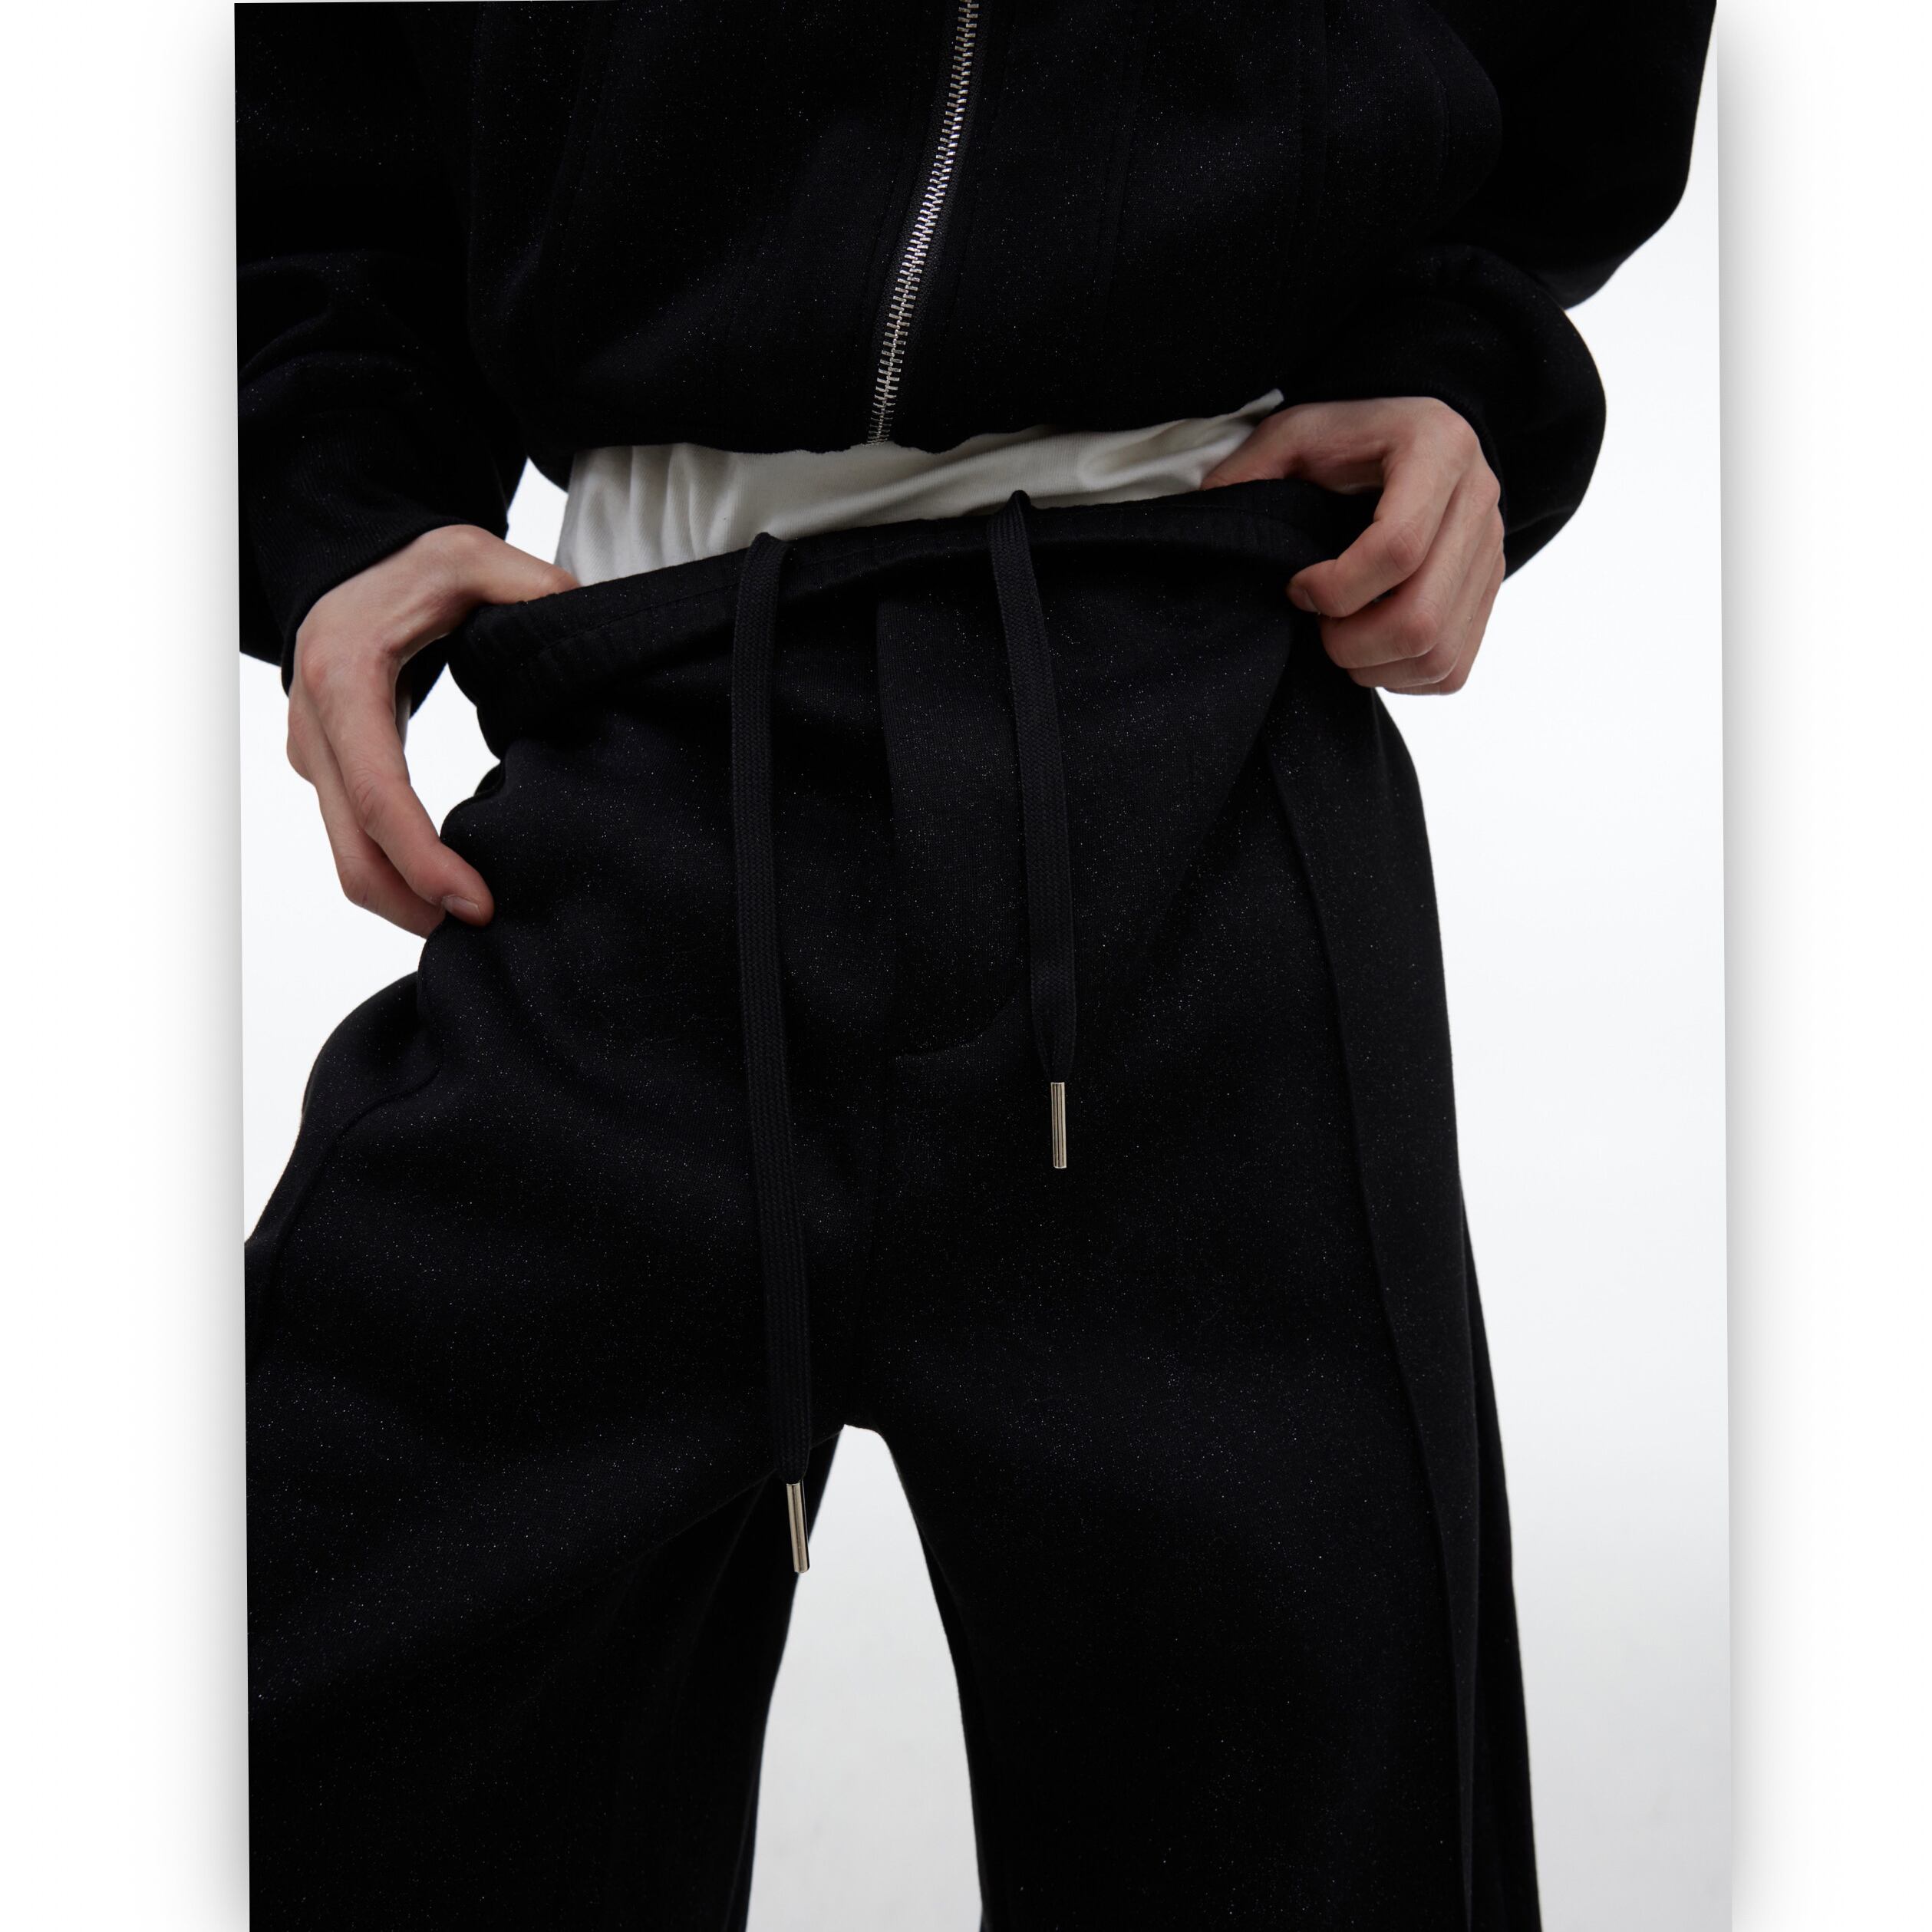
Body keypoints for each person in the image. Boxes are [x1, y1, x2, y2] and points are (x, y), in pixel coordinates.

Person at [237, 4, 1713, 1925]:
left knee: (1300, 1837)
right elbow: (303, 117)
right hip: (633, 721)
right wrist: (337, 506)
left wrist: (1458, 366)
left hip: (1195, 725)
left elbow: (1581, 77)